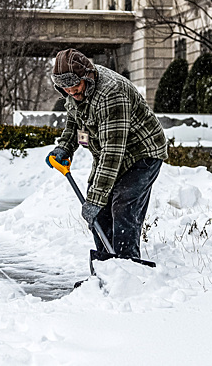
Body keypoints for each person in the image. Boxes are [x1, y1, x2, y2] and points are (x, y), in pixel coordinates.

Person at [47, 48, 168, 260]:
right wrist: (65, 147)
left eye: (75, 86)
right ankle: (107, 267)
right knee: (100, 212)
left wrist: (95, 199)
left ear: (87, 76)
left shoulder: (111, 94)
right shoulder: (75, 91)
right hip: (111, 150)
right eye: (65, 88)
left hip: (142, 152)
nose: (71, 92)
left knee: (122, 207)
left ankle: (127, 267)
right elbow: (75, 121)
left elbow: (112, 153)